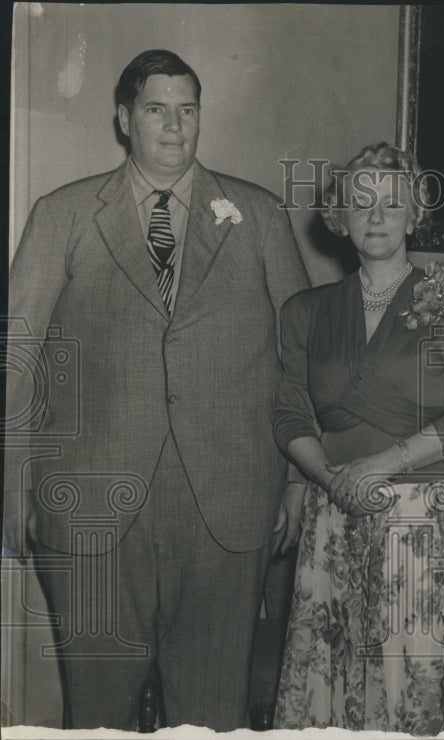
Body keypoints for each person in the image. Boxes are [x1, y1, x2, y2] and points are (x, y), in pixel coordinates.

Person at [3, 49, 309, 730]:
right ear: (123, 118)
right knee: (100, 716)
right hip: (92, 508)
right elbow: (16, 359)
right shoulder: (64, 214)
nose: (174, 126)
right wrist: (12, 484)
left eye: (187, 110)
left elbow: (301, 359)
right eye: (155, 110)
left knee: (211, 717)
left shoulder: (255, 215)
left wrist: (296, 482)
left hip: (226, 511)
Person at [271, 142, 444, 738]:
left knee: (417, 697)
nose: (375, 217)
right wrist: (333, 480)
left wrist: (384, 464)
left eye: (391, 203)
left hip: (424, 523)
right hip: (334, 516)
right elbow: (291, 413)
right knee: (336, 687)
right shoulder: (306, 311)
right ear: (339, 217)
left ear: (414, 214)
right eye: (360, 203)